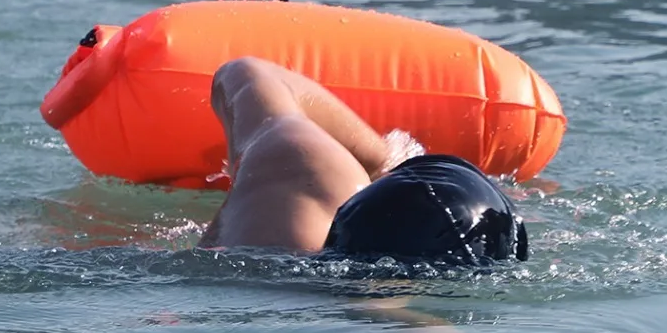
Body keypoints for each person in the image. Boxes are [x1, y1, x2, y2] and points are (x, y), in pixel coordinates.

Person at [198, 57, 528, 266]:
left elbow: (247, 73)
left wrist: (377, 156)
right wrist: (381, 156)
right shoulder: (303, 173)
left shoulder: (299, 177)